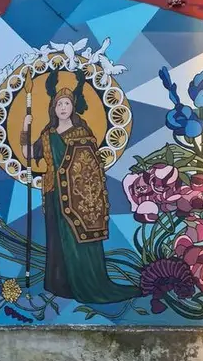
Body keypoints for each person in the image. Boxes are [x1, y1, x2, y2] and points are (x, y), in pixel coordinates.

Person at [22, 70, 137, 304]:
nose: (62, 107)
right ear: (53, 109)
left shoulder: (81, 133)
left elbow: (89, 169)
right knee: (56, 240)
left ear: (72, 107)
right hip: (53, 195)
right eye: (58, 104)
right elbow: (27, 155)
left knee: (75, 240)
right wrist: (25, 126)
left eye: (66, 103)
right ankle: (59, 284)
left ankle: (85, 283)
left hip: (76, 199)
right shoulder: (47, 134)